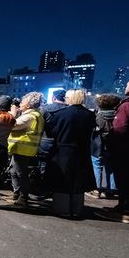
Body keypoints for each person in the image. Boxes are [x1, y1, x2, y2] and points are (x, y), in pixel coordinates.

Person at [43, 88, 96, 218]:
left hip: (63, 150)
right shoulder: (89, 115)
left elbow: (51, 132)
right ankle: (77, 208)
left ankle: (61, 208)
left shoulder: (60, 114)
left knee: (62, 179)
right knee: (78, 180)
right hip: (82, 151)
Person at [7, 92, 45, 208]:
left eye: (22, 102)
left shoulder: (30, 116)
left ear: (28, 105)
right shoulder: (35, 114)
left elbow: (12, 124)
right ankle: (17, 194)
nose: (20, 104)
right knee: (14, 171)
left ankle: (23, 198)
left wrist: (13, 113)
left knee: (21, 174)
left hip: (22, 149)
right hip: (22, 148)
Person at [108, 77, 129, 222]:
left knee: (126, 180)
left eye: (127, 85)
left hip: (126, 150)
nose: (125, 87)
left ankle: (126, 211)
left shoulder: (128, 105)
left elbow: (119, 129)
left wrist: (112, 143)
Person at [88, 94, 120, 199]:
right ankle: (111, 191)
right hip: (114, 146)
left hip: (98, 147)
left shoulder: (98, 117)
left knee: (97, 167)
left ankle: (96, 190)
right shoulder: (118, 116)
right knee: (111, 169)